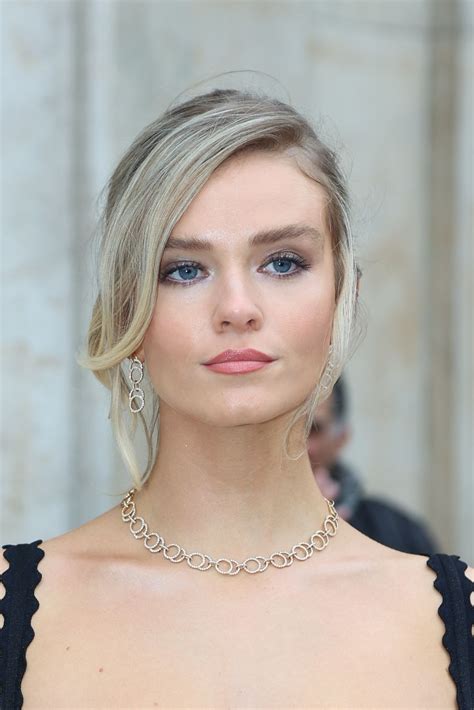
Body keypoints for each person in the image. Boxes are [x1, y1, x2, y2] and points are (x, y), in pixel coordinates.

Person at [1, 87, 472, 709]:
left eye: (282, 262)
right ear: (126, 314)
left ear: (344, 298)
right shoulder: (16, 610)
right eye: (184, 269)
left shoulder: (454, 620)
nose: (237, 308)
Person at [308, 376, 441, 556]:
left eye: (312, 429)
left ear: (341, 438)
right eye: (284, 431)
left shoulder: (399, 533)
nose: (293, 446)